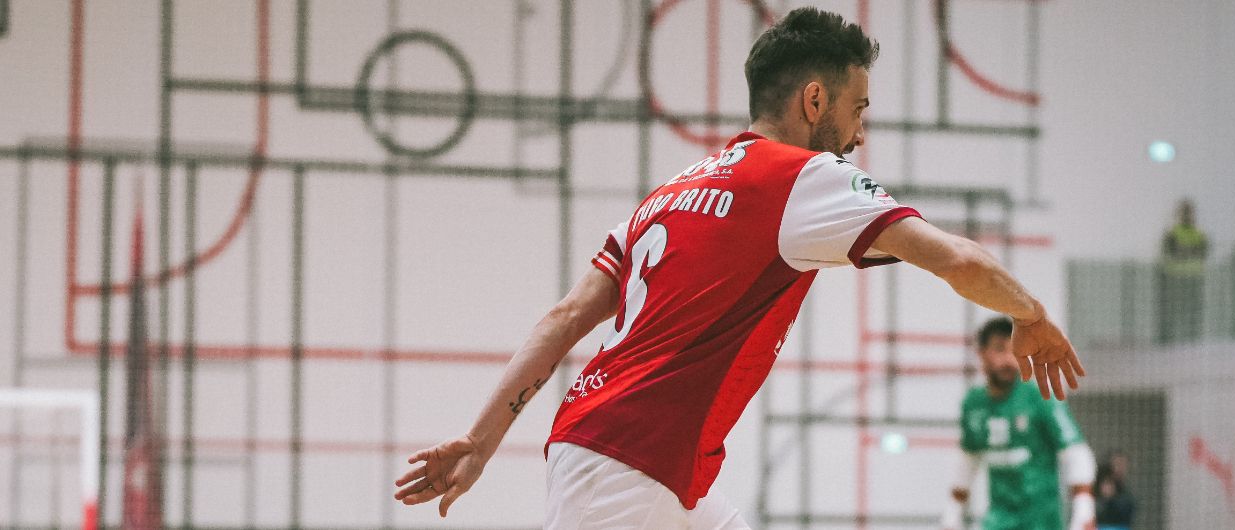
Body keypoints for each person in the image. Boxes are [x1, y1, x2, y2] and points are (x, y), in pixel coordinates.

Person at [392, 8, 1084, 529]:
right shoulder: (803, 178)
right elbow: (956, 257)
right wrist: (1032, 314)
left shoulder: (669, 192)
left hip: (639, 461)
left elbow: (566, 316)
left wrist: (480, 441)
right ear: (815, 100)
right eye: (857, 109)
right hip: (629, 468)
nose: (859, 133)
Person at [949, 317, 1096, 530]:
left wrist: (1084, 509)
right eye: (1000, 349)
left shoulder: (1040, 397)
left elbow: (1075, 451)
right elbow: (969, 457)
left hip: (1041, 522)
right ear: (981, 353)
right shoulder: (974, 404)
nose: (1009, 359)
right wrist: (952, 512)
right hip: (998, 520)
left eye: (1015, 352)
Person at [1158, 199, 1208, 344]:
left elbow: (1203, 252)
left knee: (1192, 313)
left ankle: (1192, 341)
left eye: (1188, 212)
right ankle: (1170, 341)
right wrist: (1188, 251)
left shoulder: (1199, 235)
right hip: (1175, 278)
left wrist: (1184, 251)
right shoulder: (1172, 234)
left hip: (1193, 277)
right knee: (1173, 312)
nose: (1186, 215)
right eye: (1184, 212)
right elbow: (1168, 252)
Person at [1094, 451, 1137, 530]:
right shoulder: (1095, 495)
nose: (1120, 469)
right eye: (1117, 464)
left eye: (1123, 465)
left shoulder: (1126, 496)